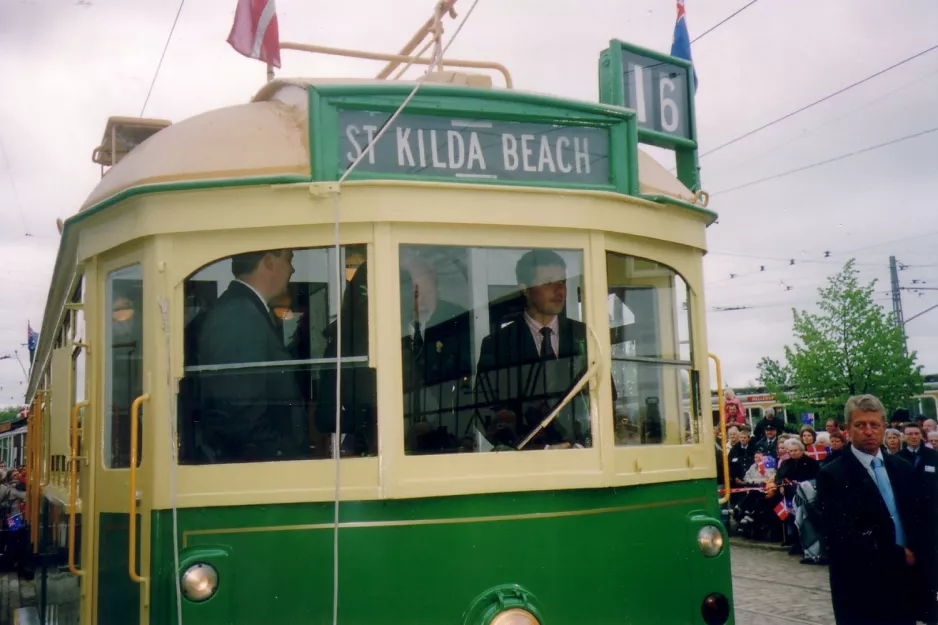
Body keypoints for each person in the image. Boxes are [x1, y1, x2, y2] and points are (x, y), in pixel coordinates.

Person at [817, 394, 930, 625]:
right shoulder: (833, 475)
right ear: (848, 429)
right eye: (860, 425)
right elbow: (842, 537)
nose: (868, 431)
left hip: (905, 583)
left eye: (874, 425)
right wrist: (898, 556)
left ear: (884, 427)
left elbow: (922, 520)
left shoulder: (902, 468)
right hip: (861, 588)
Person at [195, 249, 309, 463]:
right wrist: (280, 454)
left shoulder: (244, 309)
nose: (292, 268)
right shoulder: (239, 313)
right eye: (288, 259)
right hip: (259, 467)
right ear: (268, 262)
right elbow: (240, 412)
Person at [475, 249, 589, 450]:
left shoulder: (584, 335)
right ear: (525, 289)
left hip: (582, 456)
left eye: (563, 281)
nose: (559, 290)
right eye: (548, 282)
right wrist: (537, 450)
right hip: (525, 463)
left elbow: (605, 398)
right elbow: (484, 411)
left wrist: (580, 446)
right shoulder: (498, 343)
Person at [399, 254, 473, 452]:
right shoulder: (389, 326)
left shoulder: (457, 323)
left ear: (437, 289)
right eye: (414, 293)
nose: (421, 300)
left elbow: (466, 387)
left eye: (427, 291)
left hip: (448, 438)